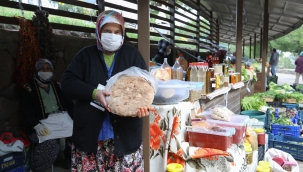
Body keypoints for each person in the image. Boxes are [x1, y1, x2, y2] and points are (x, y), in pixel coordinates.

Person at [61, 10, 152, 171]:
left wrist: (140, 108)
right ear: (98, 31)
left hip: (125, 137)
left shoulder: (132, 55)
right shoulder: (85, 56)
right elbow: (67, 83)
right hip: (90, 138)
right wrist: (94, 93)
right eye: (107, 31)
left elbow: (145, 88)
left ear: (123, 33)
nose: (112, 35)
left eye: (117, 32)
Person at [20, 58, 74, 171]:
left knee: (78, 134)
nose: (45, 71)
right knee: (49, 142)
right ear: (36, 71)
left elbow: (69, 104)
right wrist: (35, 125)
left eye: (48, 68)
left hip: (62, 118)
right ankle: (40, 168)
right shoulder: (29, 88)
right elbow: (26, 110)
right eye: (42, 69)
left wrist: (77, 118)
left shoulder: (57, 86)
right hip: (43, 121)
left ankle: (70, 159)